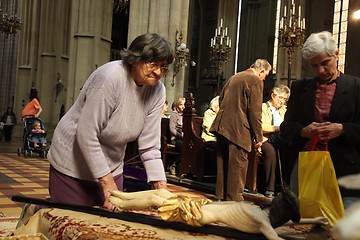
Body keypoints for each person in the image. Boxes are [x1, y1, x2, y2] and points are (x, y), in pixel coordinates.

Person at [47, 33, 174, 210]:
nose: (159, 72)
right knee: (69, 220)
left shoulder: (158, 91)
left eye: (163, 67)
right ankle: (35, 212)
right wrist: (107, 183)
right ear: (135, 59)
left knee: (111, 222)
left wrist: (160, 184)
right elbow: (86, 134)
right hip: (73, 161)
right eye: (153, 64)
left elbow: (150, 145)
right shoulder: (110, 77)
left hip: (112, 163)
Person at [280, 31, 360, 207]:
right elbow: (286, 127)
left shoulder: (356, 87)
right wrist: (303, 131)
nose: (321, 70)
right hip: (307, 162)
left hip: (344, 166)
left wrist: (342, 129)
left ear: (336, 54)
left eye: (325, 63)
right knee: (304, 217)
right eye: (315, 66)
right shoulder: (301, 87)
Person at [109, 188, 328, 240]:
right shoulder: (264, 214)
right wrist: (313, 220)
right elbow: (288, 223)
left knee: (155, 200)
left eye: (277, 202)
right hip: (202, 205)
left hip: (197, 215)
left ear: (278, 209)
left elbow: (276, 237)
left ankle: (117, 204)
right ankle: (121, 195)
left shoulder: (263, 222)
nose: (273, 201)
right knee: (161, 192)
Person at [210, 59, 272, 201]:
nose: (264, 78)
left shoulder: (234, 77)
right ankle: (234, 200)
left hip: (222, 126)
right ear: (261, 71)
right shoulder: (255, 80)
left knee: (223, 163)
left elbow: (220, 99)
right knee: (238, 165)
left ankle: (220, 196)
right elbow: (255, 112)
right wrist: (258, 137)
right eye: (265, 75)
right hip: (239, 129)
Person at [261, 85, 290, 198]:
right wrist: (276, 128)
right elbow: (261, 126)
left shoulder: (285, 110)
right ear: (273, 96)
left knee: (289, 150)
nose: (282, 101)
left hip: (280, 138)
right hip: (265, 138)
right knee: (271, 152)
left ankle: (284, 187)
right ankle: (270, 188)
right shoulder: (263, 107)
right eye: (280, 98)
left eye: (284, 99)